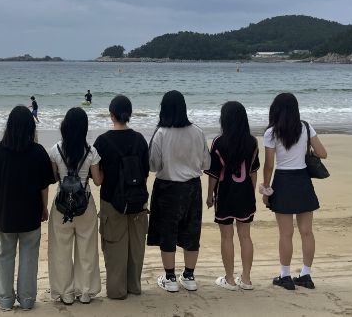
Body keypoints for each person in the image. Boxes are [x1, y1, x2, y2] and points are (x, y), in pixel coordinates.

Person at [0, 105, 55, 311]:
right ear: (31, 128)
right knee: (29, 256)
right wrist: (44, 207)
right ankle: (27, 299)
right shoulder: (38, 152)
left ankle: (5, 300)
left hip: (6, 213)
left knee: (4, 255)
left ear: (9, 127)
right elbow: (44, 186)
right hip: (31, 213)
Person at [261, 93, 328, 290]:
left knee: (285, 233)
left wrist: (266, 189)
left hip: (283, 181)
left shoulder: (272, 132)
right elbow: (323, 153)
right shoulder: (305, 127)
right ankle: (306, 275)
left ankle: (285, 276)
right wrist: (307, 153)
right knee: (306, 232)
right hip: (302, 180)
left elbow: (269, 165)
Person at [147, 90, 210, 293]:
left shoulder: (161, 133)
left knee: (167, 233)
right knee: (191, 231)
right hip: (192, 187)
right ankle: (189, 276)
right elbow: (206, 163)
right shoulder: (197, 131)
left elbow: (153, 165)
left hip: (167, 187)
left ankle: (170, 277)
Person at [92, 95, 149, 299]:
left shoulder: (102, 141)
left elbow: (97, 177)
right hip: (138, 200)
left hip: (112, 201)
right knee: (136, 245)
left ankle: (117, 290)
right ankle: (134, 286)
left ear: (111, 115)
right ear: (129, 114)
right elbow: (145, 173)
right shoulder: (140, 140)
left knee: (114, 245)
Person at [48, 107, 103, 305]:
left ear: (65, 126)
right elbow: (98, 181)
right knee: (87, 249)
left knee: (60, 250)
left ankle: (66, 293)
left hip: (61, 206)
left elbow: (53, 178)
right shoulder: (91, 152)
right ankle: (85, 292)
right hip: (85, 204)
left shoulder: (55, 150)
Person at [204, 101, 259, 291]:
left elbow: (214, 173)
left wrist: (210, 195)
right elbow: (253, 171)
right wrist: (251, 192)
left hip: (225, 194)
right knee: (245, 236)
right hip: (245, 194)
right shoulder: (252, 142)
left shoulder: (219, 142)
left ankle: (229, 279)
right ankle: (246, 279)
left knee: (227, 237)